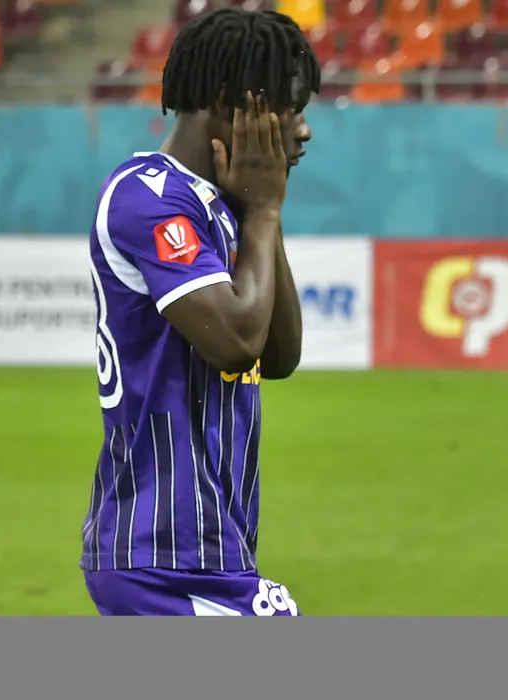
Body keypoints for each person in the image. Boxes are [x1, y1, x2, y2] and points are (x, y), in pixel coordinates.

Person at [80, 7, 318, 616]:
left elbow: (279, 355)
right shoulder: (147, 195)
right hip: (163, 552)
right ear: (228, 102)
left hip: (213, 549)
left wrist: (260, 210)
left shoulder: (225, 205)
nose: (303, 130)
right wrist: (263, 211)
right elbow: (235, 341)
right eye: (288, 108)